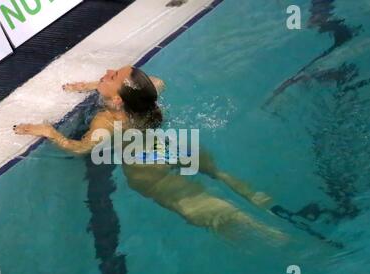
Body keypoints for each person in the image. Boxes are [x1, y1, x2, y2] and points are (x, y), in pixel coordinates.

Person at [14, 65, 283, 240]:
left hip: (149, 176)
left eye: (111, 76)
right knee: (220, 174)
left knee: (214, 214)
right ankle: (262, 203)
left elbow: (80, 148)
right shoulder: (143, 103)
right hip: (171, 149)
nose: (107, 70)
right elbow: (157, 81)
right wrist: (98, 85)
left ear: (118, 100)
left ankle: (268, 236)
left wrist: (51, 133)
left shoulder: (106, 122)